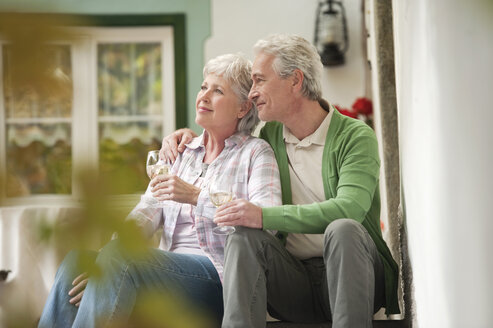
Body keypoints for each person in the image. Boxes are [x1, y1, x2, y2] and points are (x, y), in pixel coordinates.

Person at [160, 34, 400, 328]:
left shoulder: (354, 136)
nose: (252, 93)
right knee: (243, 235)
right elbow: (225, 132)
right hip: (293, 281)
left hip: (352, 274)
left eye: (260, 80)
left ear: (295, 81)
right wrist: (185, 135)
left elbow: (349, 208)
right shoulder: (268, 138)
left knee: (344, 229)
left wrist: (263, 215)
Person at [37, 53, 282, 328]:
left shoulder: (256, 153)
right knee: (77, 262)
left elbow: (267, 221)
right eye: (204, 87)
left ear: (242, 108)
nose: (204, 96)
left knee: (121, 258)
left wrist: (196, 196)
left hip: (218, 280)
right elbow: (147, 210)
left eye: (218, 91)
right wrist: (107, 258)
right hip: (163, 273)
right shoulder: (181, 153)